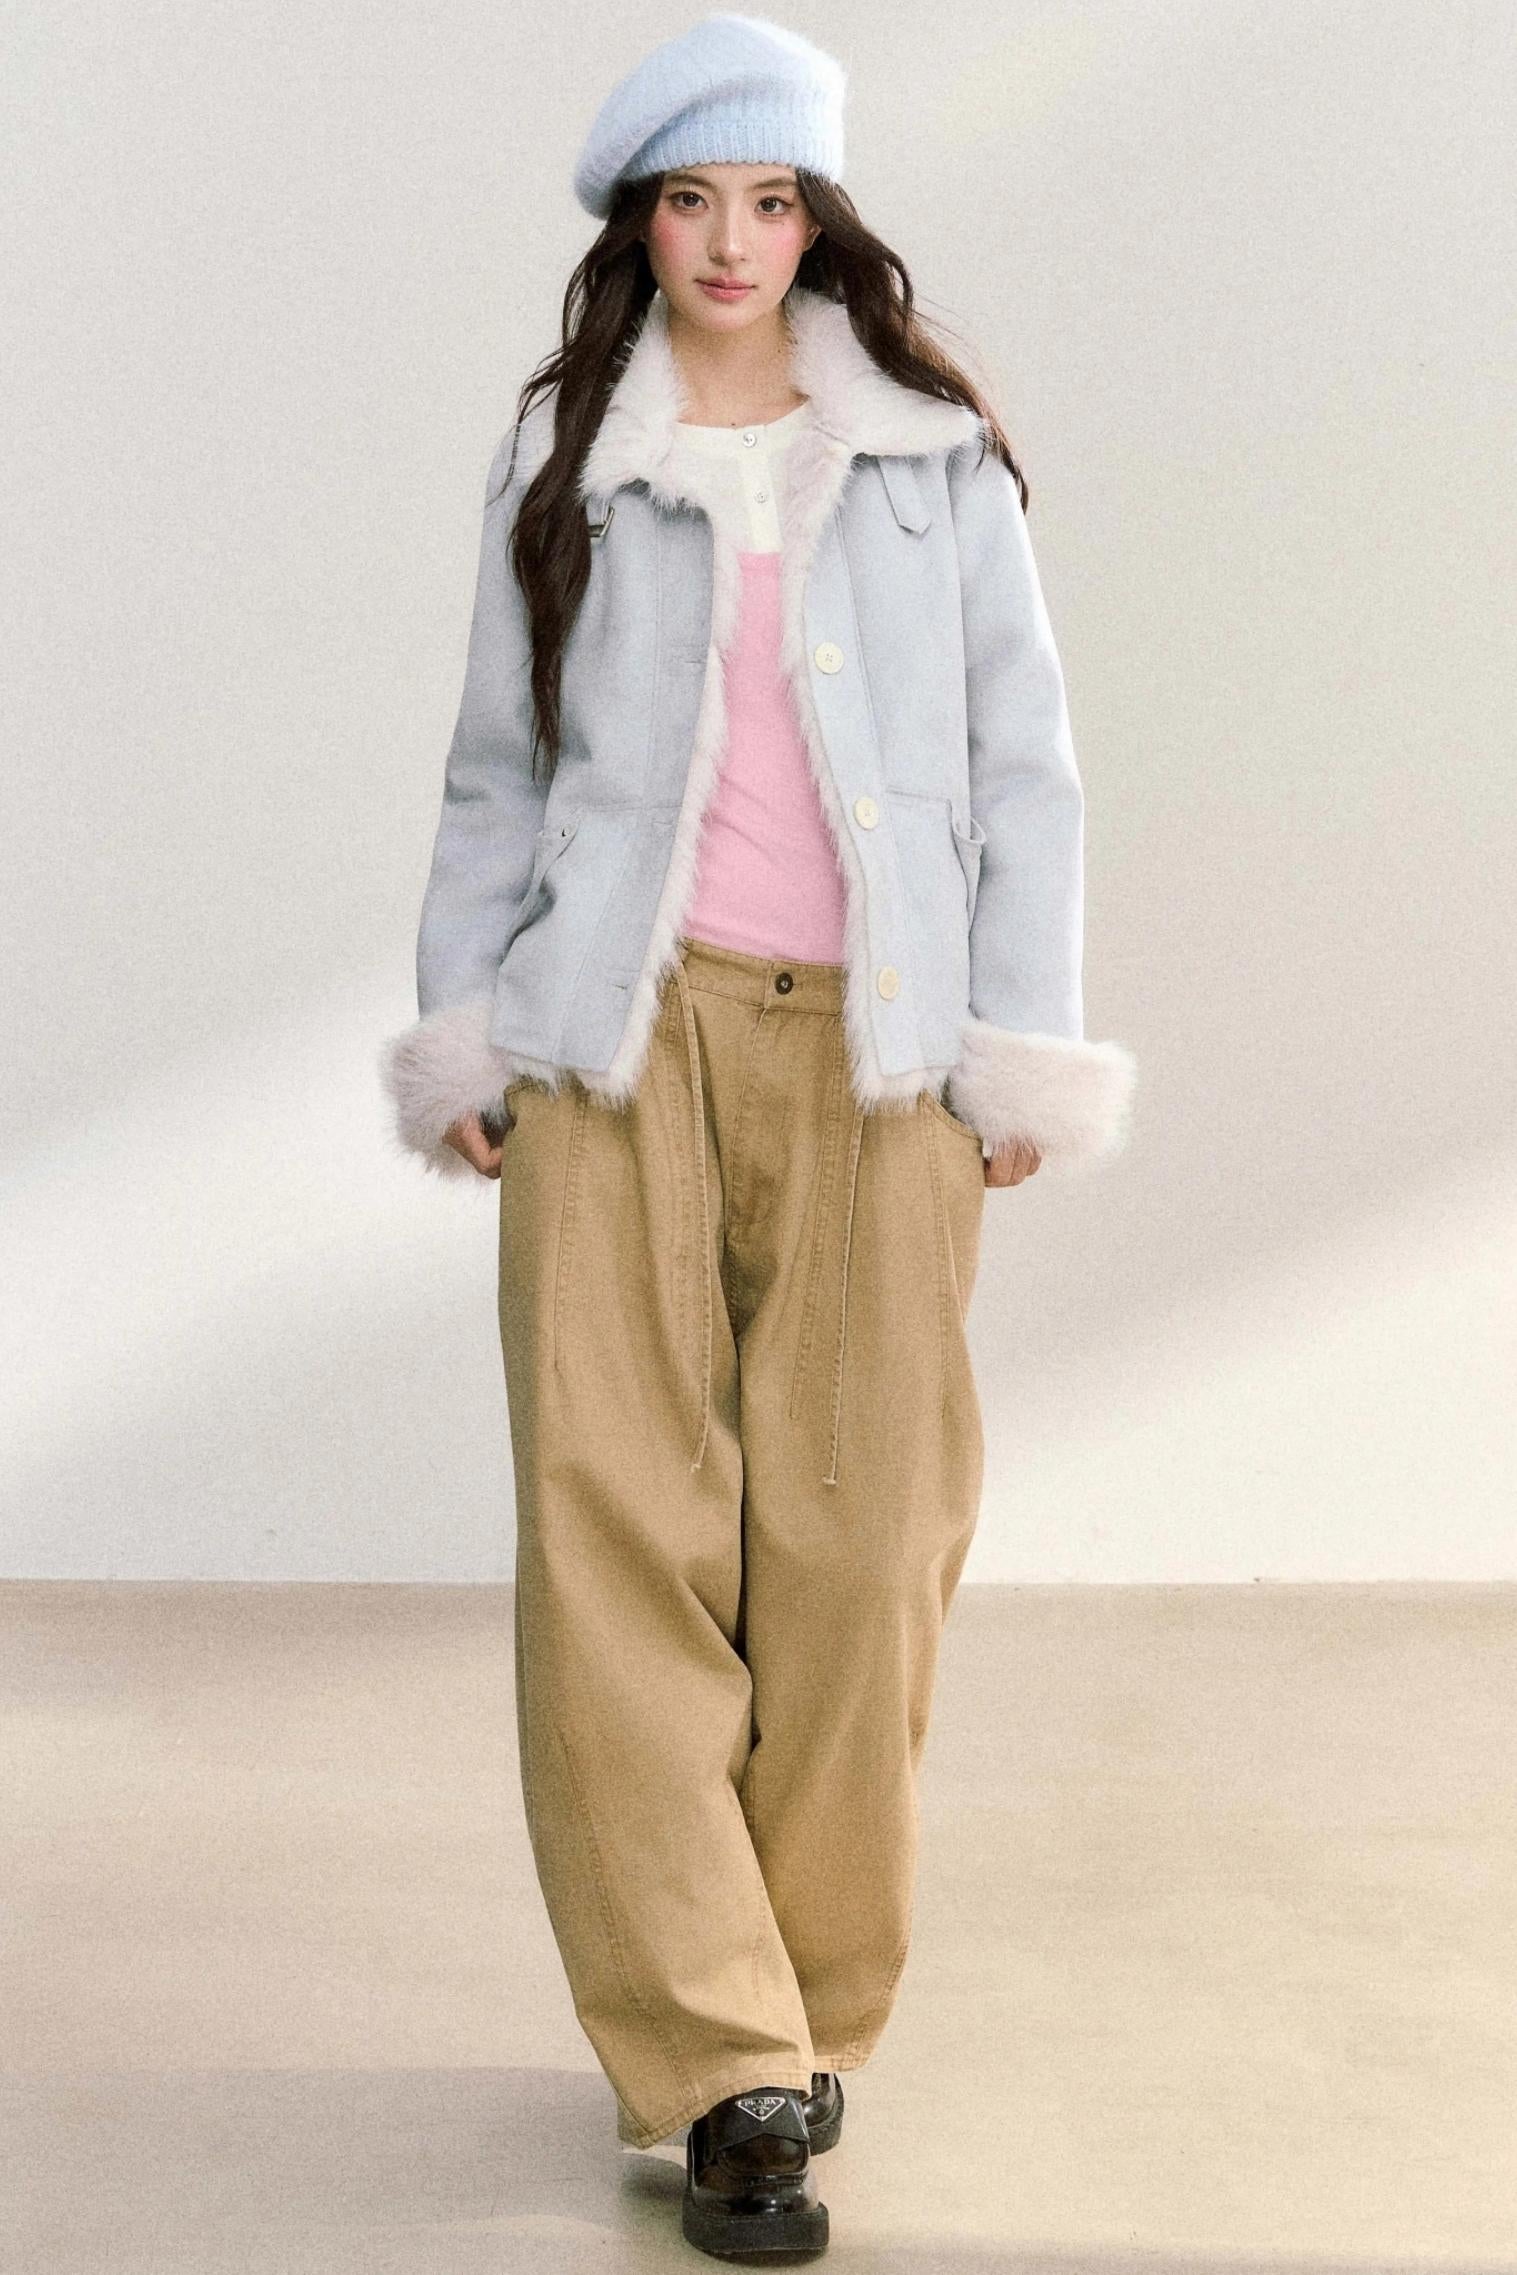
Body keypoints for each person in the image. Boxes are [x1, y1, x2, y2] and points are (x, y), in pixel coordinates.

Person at [380, 11, 1137, 2257]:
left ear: (822, 221)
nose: (733, 241)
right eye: (695, 200)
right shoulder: (570, 453)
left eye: (774, 199)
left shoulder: (928, 459)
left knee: (863, 1537)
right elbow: (497, 770)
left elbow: (1026, 772)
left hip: (885, 1056)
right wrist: (470, 1033)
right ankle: (722, 2070)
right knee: (615, 1532)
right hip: (612, 1048)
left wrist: (1019, 1044)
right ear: (642, 221)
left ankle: (805, 2019)